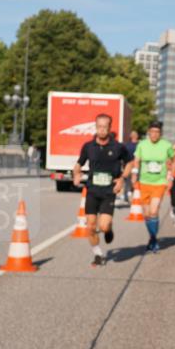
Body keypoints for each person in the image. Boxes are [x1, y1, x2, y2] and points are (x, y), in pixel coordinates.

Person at [72, 114, 134, 266]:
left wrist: (122, 179)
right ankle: (98, 254)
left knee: (104, 226)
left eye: (104, 127)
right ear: (96, 126)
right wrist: (76, 174)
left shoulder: (118, 147)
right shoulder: (88, 146)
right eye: (99, 127)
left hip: (108, 192)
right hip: (92, 190)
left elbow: (130, 163)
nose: (101, 130)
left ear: (109, 128)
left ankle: (109, 229)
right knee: (91, 226)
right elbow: (79, 163)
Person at [133, 121, 175, 252]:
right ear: (148, 132)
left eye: (157, 132)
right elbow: (136, 160)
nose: (155, 134)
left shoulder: (166, 145)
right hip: (144, 182)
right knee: (146, 215)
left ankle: (153, 239)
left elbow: (174, 161)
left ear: (160, 133)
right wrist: (134, 174)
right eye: (152, 132)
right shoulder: (142, 144)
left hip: (159, 182)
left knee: (153, 211)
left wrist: (170, 177)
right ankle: (152, 237)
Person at [122, 130, 140, 204]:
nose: (134, 136)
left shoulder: (140, 145)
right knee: (127, 181)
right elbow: (124, 155)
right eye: (133, 135)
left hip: (137, 165)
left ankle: (134, 195)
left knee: (135, 181)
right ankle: (126, 195)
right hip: (128, 164)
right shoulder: (127, 145)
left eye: (135, 135)